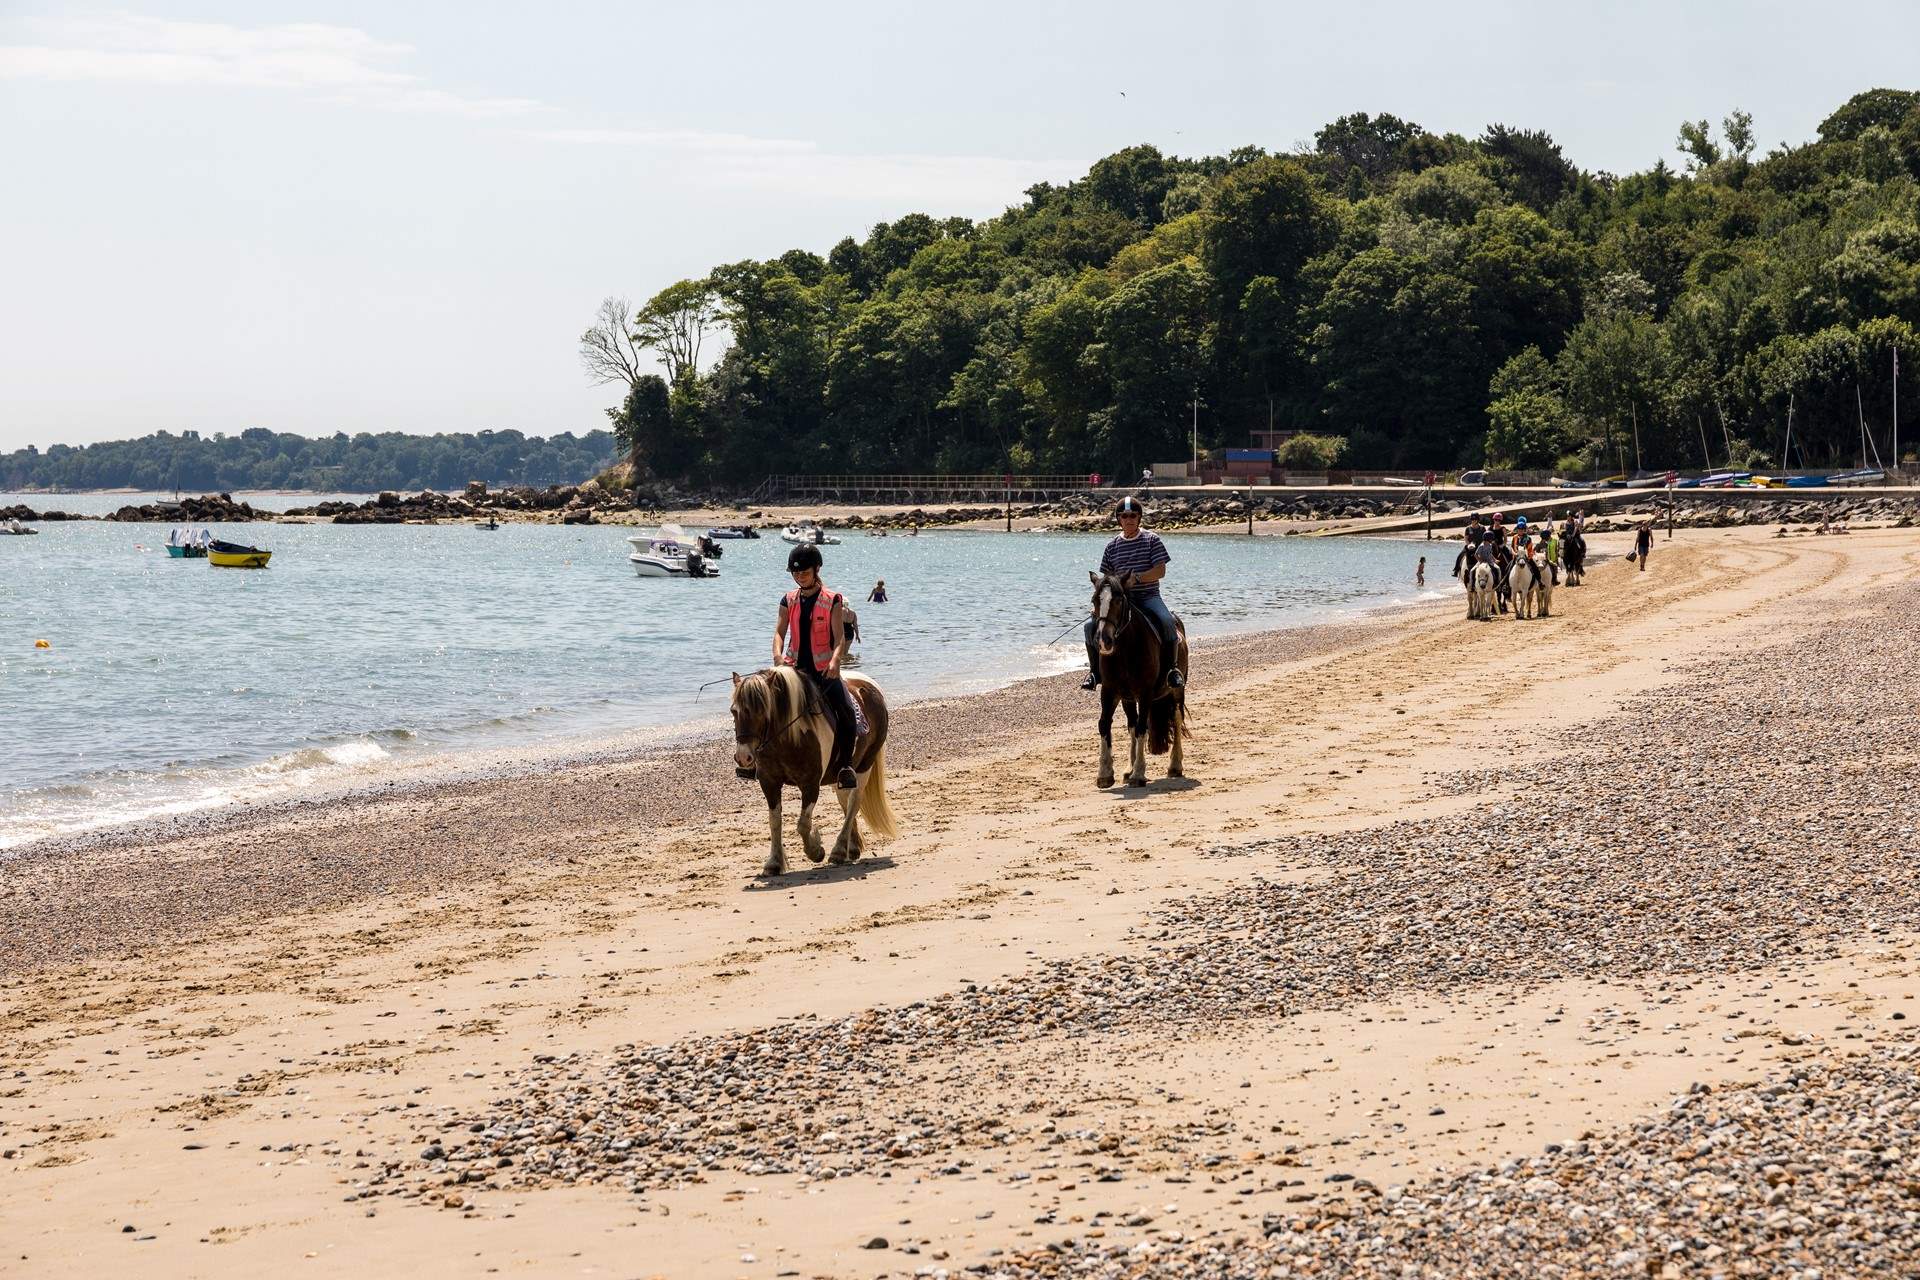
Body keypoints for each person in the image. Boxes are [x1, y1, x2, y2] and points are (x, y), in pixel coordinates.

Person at [774, 543, 859, 790]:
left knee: (846, 711)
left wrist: (835, 661)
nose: (800, 577)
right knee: (765, 704)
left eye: (805, 572)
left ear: (816, 569)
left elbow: (840, 636)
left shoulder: (832, 599)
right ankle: (760, 761)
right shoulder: (787, 600)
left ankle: (845, 766)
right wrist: (777, 656)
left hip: (824, 671)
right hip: (794, 671)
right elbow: (779, 632)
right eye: (796, 573)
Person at [1083, 496, 1182, 693]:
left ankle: (1172, 671)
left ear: (1139, 518)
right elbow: (1107, 580)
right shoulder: (1112, 546)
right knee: (1089, 626)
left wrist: (1137, 578)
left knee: (1167, 621)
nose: (1129, 519)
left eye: (1133, 515)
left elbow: (1160, 571)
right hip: (1120, 601)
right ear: (1119, 519)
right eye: (1124, 516)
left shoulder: (1152, 540)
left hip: (1148, 597)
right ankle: (1095, 672)